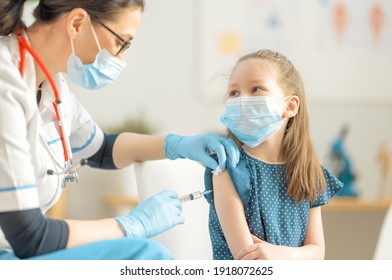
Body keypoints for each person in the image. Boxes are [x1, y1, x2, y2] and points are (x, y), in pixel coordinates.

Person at [0, 0, 239, 260]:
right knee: (145, 256)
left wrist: (178, 146)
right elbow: (29, 237)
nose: (121, 58)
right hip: (16, 251)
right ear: (77, 23)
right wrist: (129, 226)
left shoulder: (52, 85)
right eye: (121, 42)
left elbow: (101, 150)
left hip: (16, 252)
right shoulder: (6, 82)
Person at [203, 49, 343, 260]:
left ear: (290, 106)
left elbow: (317, 252)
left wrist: (278, 254)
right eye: (234, 92)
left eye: (256, 89)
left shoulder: (308, 173)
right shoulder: (225, 167)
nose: (242, 100)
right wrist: (296, 257)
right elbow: (247, 259)